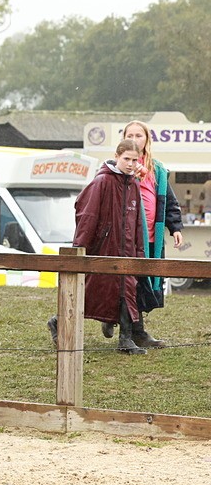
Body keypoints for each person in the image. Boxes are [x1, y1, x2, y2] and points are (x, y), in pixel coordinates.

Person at [48, 139, 146, 354]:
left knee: (127, 290)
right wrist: (79, 247)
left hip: (127, 250)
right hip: (103, 248)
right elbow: (87, 214)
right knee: (92, 292)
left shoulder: (134, 185)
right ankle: (57, 321)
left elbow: (138, 222)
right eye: (126, 159)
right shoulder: (101, 181)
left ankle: (125, 339)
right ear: (117, 156)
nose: (131, 164)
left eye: (134, 160)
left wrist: (139, 251)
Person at [119, 121, 182, 347]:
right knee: (128, 283)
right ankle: (127, 334)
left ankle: (136, 332)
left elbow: (169, 202)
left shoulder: (157, 169)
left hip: (152, 238)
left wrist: (175, 228)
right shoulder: (120, 166)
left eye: (139, 135)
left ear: (147, 139)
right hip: (127, 237)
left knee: (144, 285)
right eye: (130, 135)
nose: (135, 139)